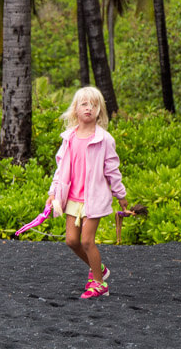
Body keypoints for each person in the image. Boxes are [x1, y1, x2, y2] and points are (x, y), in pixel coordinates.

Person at [47, 86, 127, 299]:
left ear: (99, 111)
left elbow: (112, 170)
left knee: (86, 241)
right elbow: (60, 168)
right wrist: (53, 193)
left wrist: (121, 196)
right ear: (75, 109)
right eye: (84, 104)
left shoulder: (104, 139)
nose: (89, 108)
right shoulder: (69, 138)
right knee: (71, 241)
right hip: (72, 198)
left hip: (94, 199)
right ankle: (99, 269)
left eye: (94, 105)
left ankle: (100, 284)